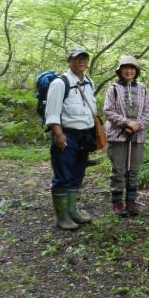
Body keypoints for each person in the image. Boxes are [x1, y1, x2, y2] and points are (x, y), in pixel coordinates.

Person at [44, 46, 97, 230]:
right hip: (66, 135)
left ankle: (73, 211)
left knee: (77, 174)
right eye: (77, 59)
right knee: (63, 175)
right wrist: (58, 134)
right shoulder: (60, 83)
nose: (80, 61)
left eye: (83, 58)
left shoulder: (89, 82)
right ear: (70, 61)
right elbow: (52, 112)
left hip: (85, 136)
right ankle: (62, 216)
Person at [103, 55, 149, 217]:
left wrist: (137, 125)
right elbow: (108, 110)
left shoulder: (143, 89)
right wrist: (125, 123)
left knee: (134, 170)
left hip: (137, 136)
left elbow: (148, 111)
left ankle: (131, 200)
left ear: (136, 71)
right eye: (125, 68)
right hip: (117, 135)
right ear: (120, 70)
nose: (129, 71)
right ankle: (118, 201)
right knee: (118, 169)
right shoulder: (113, 89)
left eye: (132, 68)